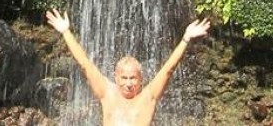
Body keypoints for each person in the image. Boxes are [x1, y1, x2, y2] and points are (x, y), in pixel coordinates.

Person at [45, 8, 210, 126]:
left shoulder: (148, 97)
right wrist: (66, 32)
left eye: (133, 78)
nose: (129, 83)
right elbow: (85, 65)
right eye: (124, 78)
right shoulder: (107, 92)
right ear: (116, 77)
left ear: (141, 80)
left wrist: (186, 39)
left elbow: (168, 70)